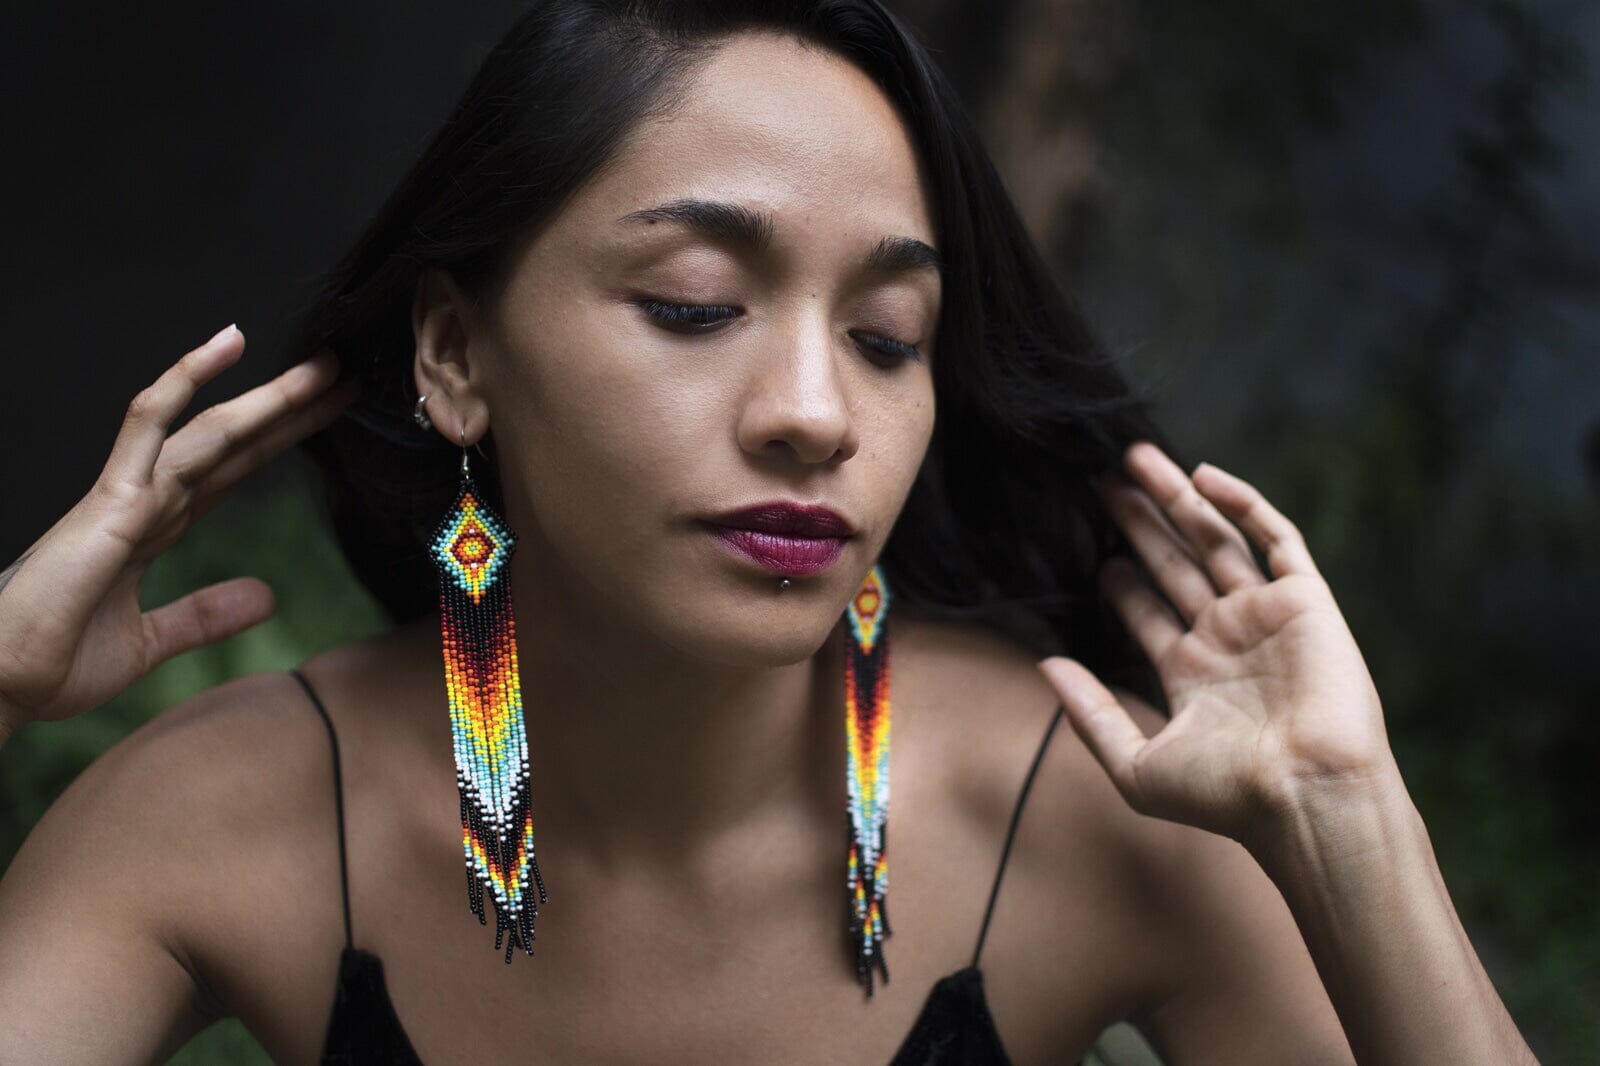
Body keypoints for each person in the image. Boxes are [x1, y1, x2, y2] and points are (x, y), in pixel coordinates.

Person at [0, 2, 1539, 1063]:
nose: (816, 412)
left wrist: (1346, 813)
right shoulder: (231, 818)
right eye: (694, 305)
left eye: (886, 336)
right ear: (458, 353)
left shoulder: (1085, 805)